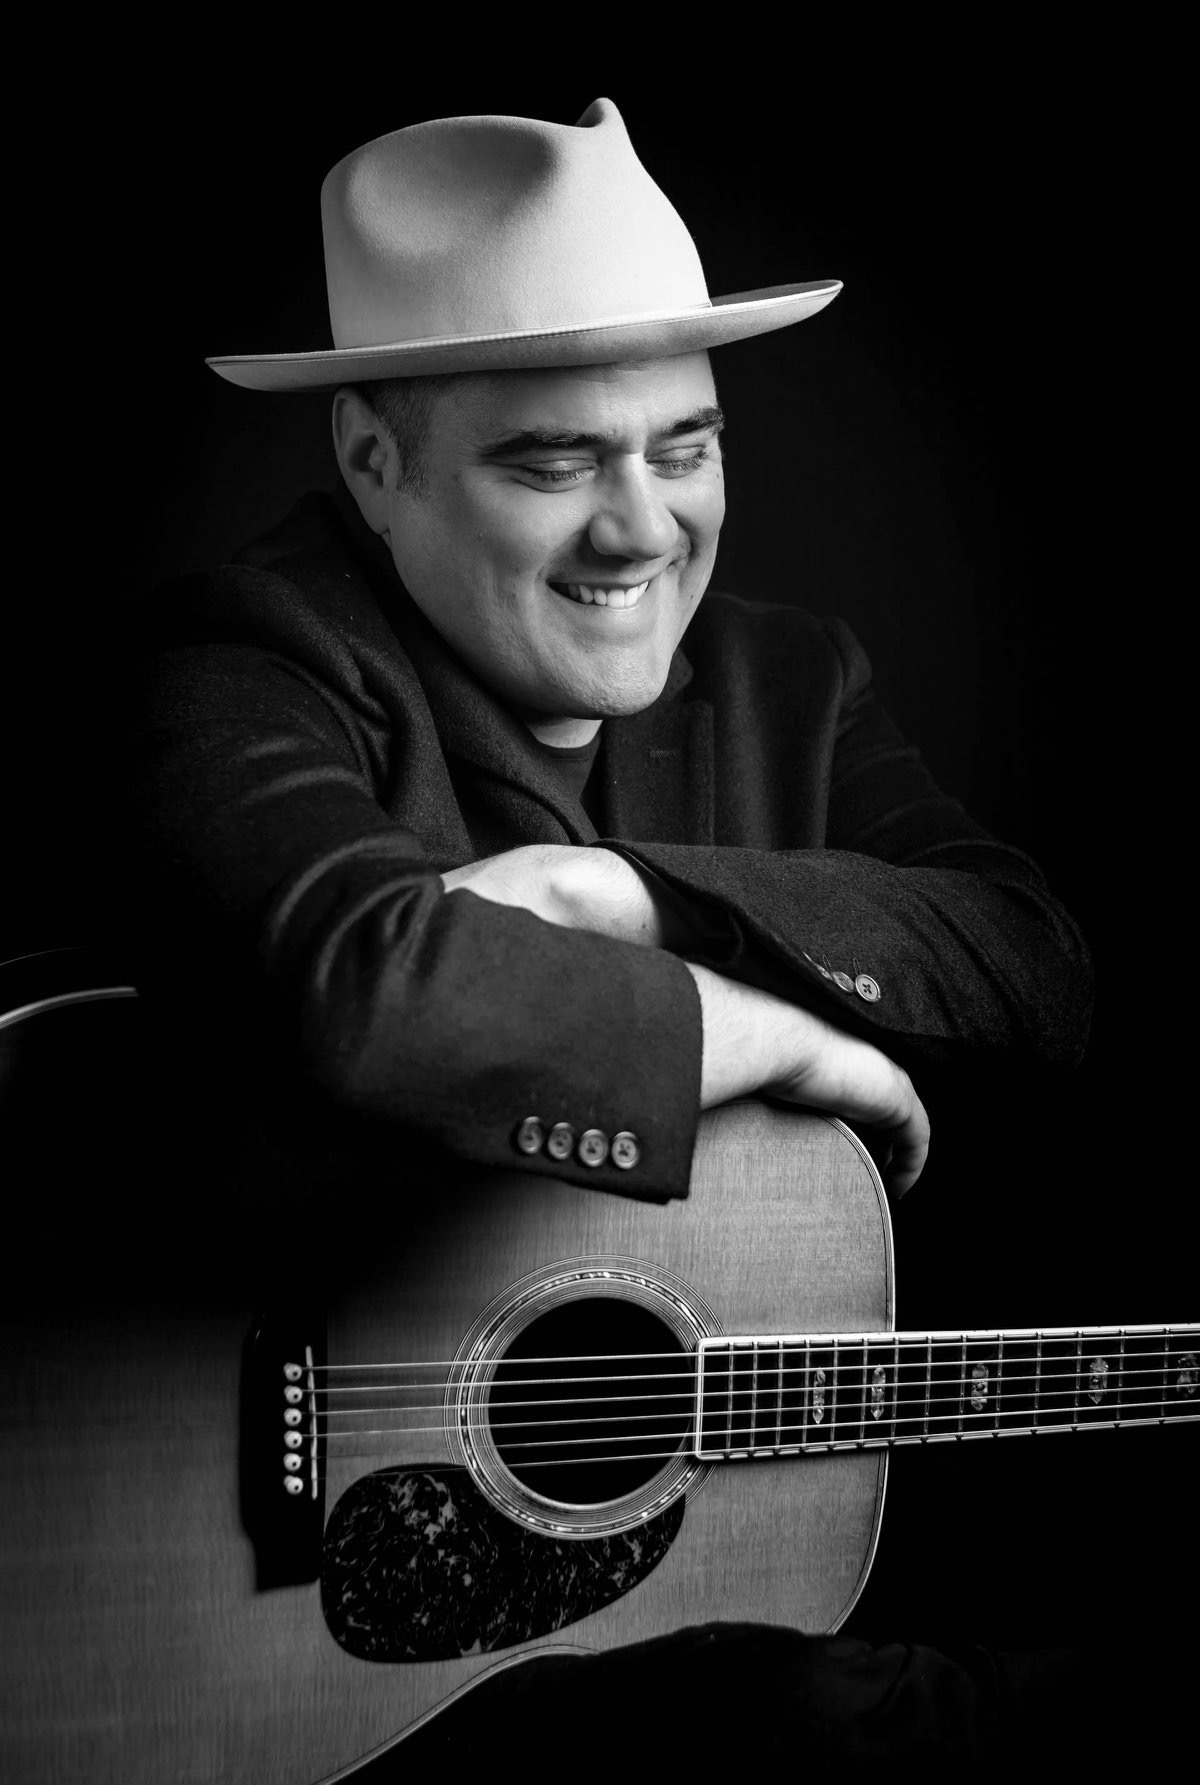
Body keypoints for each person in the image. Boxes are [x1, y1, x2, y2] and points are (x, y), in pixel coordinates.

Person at [120, 98, 1107, 1774]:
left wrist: (624, 900)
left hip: (628, 1621)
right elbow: (368, 990)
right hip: (295, 1653)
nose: (643, 527)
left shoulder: (792, 682)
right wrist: (779, 1035)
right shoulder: (239, 665)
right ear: (372, 460)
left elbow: (1033, 962)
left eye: (685, 445)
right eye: (552, 460)